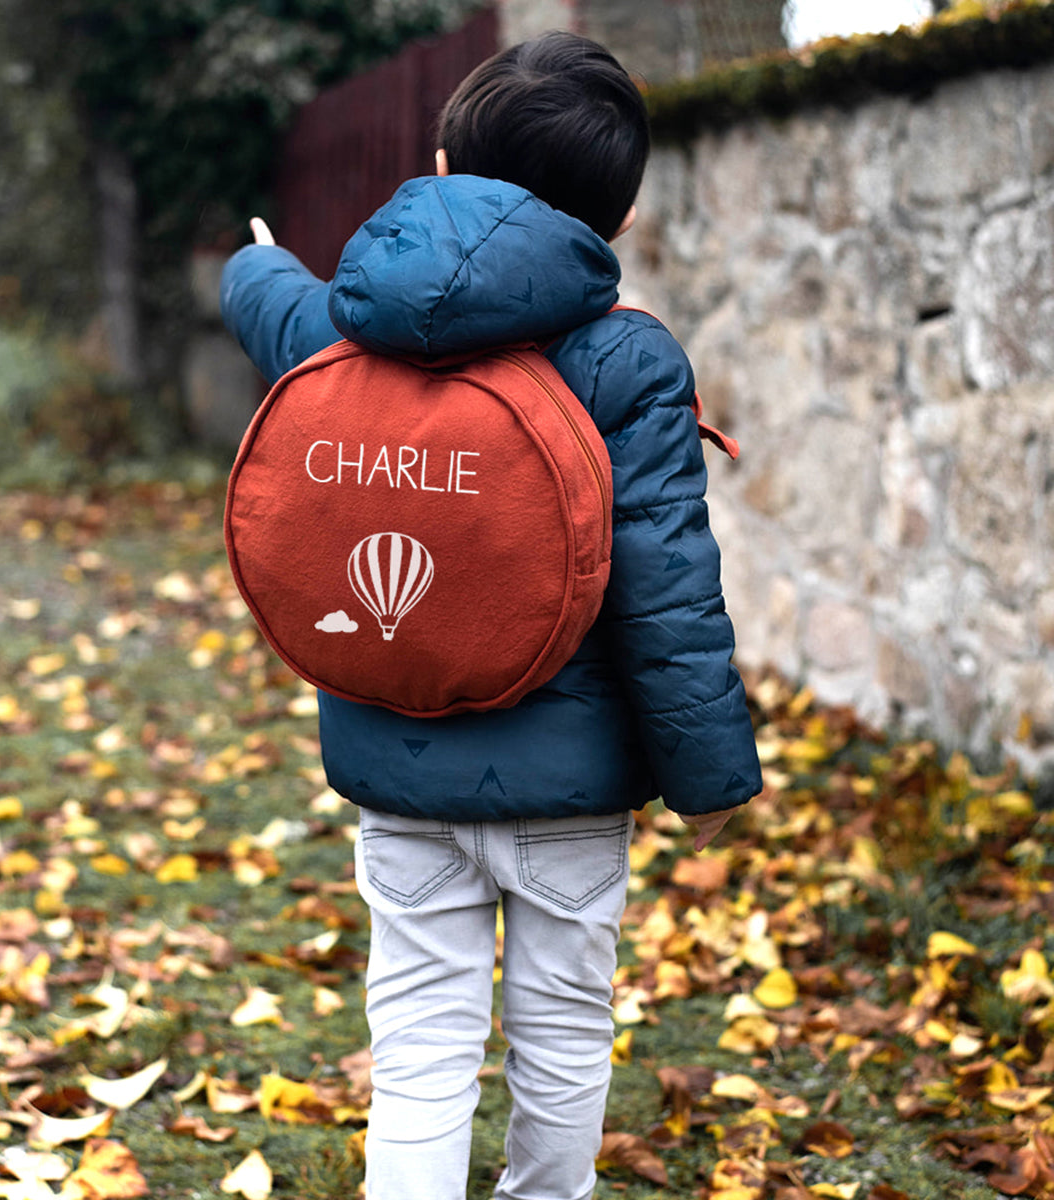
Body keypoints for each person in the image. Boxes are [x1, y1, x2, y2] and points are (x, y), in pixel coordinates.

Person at [219, 31, 762, 1200]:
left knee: (419, 1038)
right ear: (613, 225)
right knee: (562, 1034)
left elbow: (272, 304)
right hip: (570, 787)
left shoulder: (347, 328)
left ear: (440, 156)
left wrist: (251, 263)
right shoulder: (626, 361)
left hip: (397, 764)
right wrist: (710, 779)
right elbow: (669, 587)